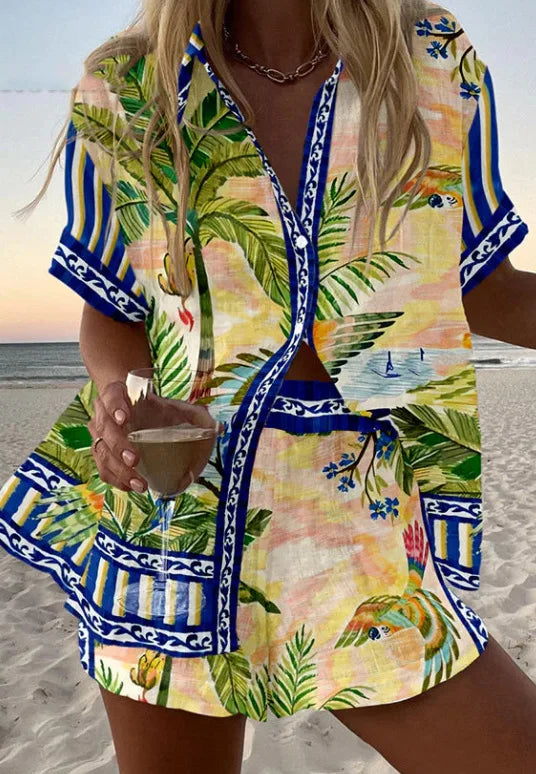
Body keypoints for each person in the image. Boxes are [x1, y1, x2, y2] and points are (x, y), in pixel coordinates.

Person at [2, 0, 536, 771]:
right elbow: (113, 311)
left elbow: (482, 285)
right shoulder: (129, 85)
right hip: (179, 515)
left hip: (365, 506)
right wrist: (124, 397)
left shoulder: (430, 59)